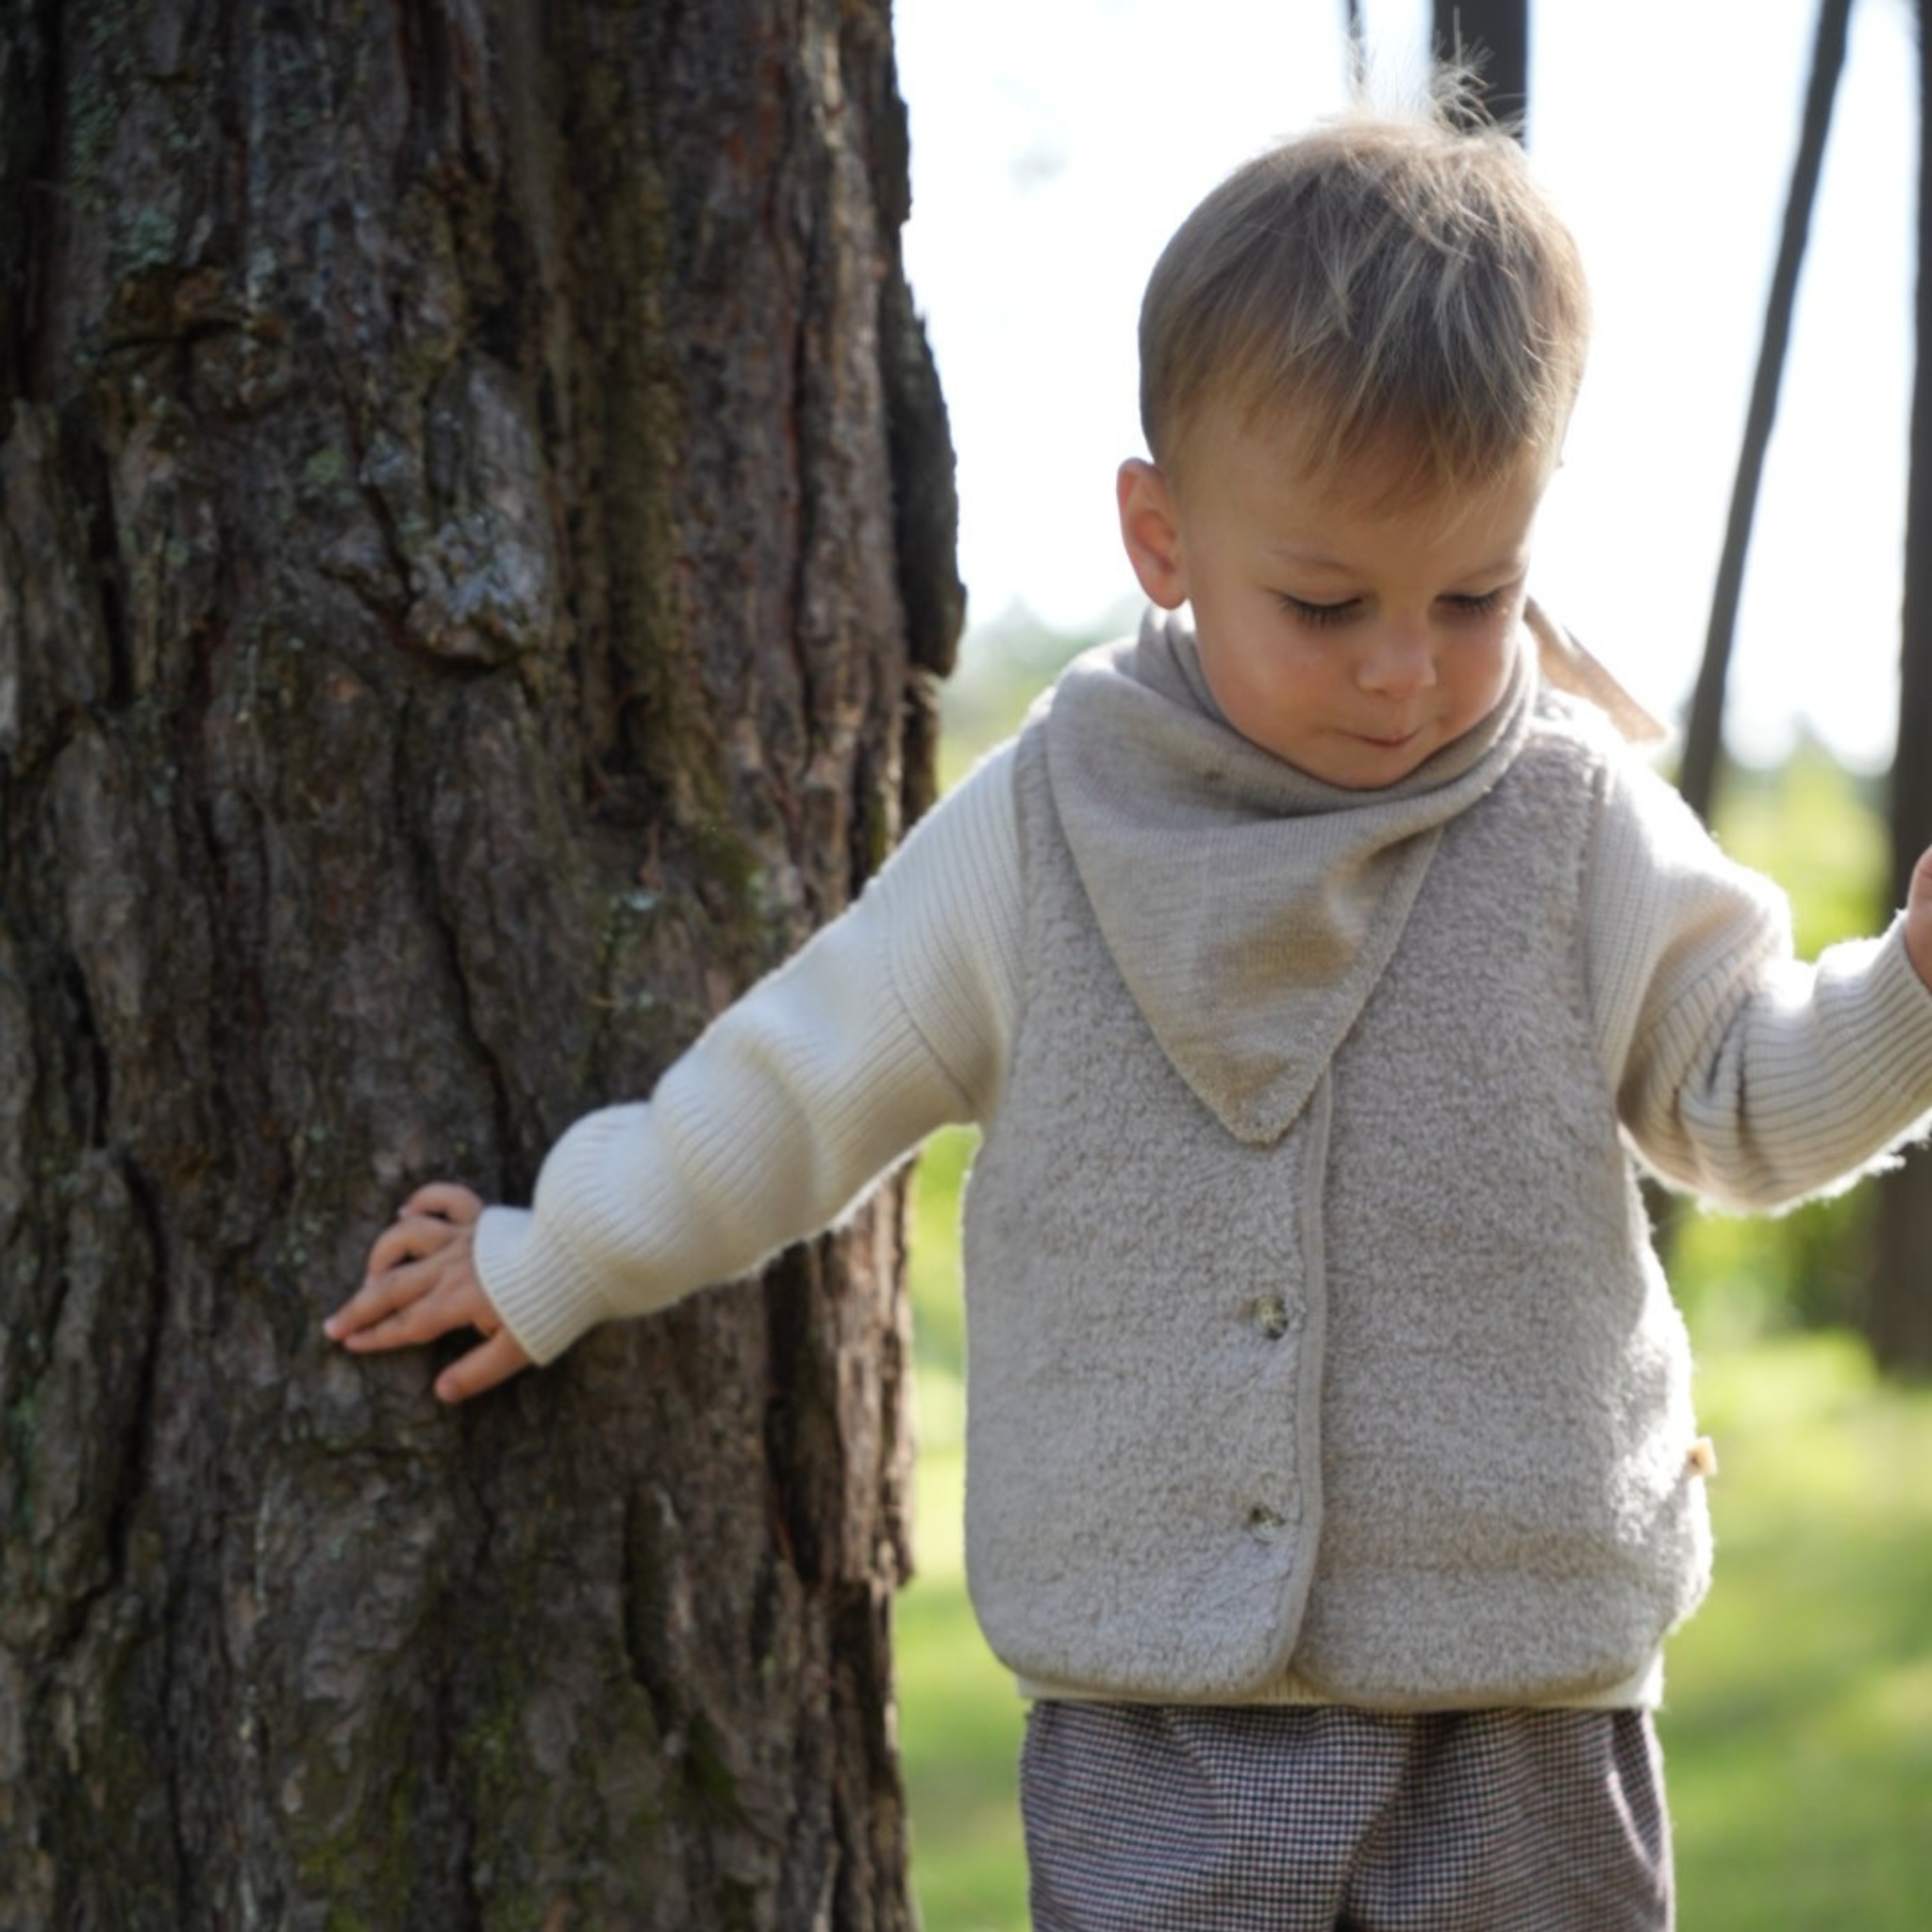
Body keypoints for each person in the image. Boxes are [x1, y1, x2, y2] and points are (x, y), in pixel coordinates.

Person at [326, 97, 1932, 1931]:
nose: (1407, 665)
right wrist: (556, 1251)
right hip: (1160, 1721)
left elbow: (1747, 1096)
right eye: (1324, 602)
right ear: (1160, 536)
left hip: (1526, 1712)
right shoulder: (1038, 830)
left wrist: (1906, 996)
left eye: (1477, 592)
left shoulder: (1575, 828)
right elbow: (793, 1084)